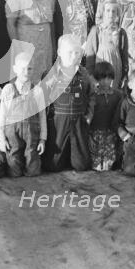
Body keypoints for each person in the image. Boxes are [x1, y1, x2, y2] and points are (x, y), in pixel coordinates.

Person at [42, 34, 93, 172]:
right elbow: (44, 101)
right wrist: (48, 121)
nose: (74, 56)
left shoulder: (84, 74)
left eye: (77, 52)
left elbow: (91, 96)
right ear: (59, 52)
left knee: (82, 166)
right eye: (69, 52)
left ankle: (74, 156)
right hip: (59, 121)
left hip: (78, 120)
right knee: (53, 166)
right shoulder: (50, 74)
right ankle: (62, 156)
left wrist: (89, 115)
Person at [0, 52, 47, 177]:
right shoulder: (8, 89)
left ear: (33, 69)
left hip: (32, 134)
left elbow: (42, 116)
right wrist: (2, 139)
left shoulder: (37, 90)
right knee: (14, 170)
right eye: (22, 68)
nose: (26, 71)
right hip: (13, 134)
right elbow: (2, 116)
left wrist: (43, 139)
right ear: (15, 69)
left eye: (29, 68)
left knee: (33, 171)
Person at [6, 0, 56, 83]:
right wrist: (18, 48)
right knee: (26, 78)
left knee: (45, 80)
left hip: (45, 47)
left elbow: (51, 24)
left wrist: (53, 46)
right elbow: (10, 24)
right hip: (26, 45)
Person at [85, 0, 129, 89]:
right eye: (108, 10)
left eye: (114, 11)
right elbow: (90, 55)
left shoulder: (121, 32)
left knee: (114, 95)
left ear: (117, 13)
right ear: (103, 12)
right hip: (100, 69)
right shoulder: (96, 31)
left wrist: (125, 74)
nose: (111, 14)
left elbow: (124, 56)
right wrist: (91, 76)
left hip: (116, 69)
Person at [88, 62, 123, 171]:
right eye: (102, 78)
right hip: (95, 134)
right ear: (97, 78)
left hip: (112, 134)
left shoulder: (118, 95)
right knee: (97, 166)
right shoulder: (93, 95)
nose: (106, 82)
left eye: (109, 78)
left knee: (109, 166)